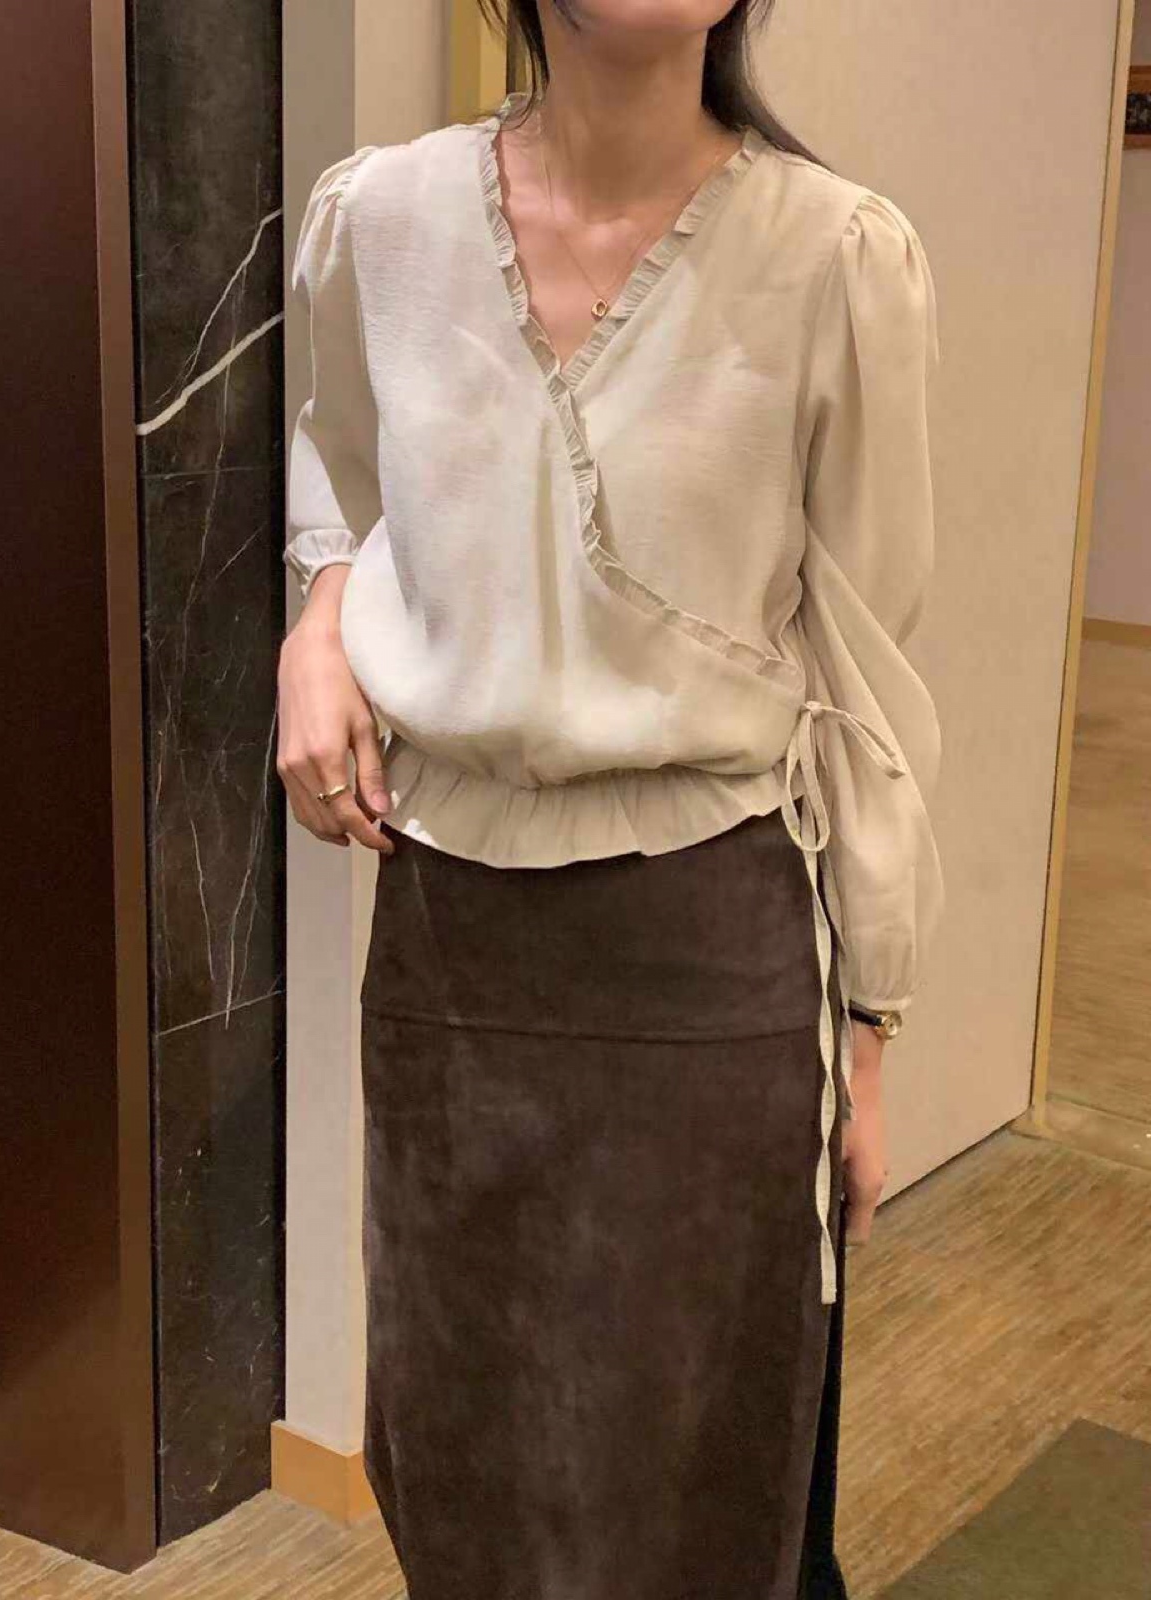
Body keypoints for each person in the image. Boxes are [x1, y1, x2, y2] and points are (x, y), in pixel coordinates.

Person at [275, 2, 944, 1595]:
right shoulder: (383, 221)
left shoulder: (833, 257)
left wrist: (866, 1030)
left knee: (699, 1486)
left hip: (711, 954)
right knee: (464, 1464)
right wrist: (319, 618)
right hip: (452, 956)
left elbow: (866, 675)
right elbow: (339, 469)